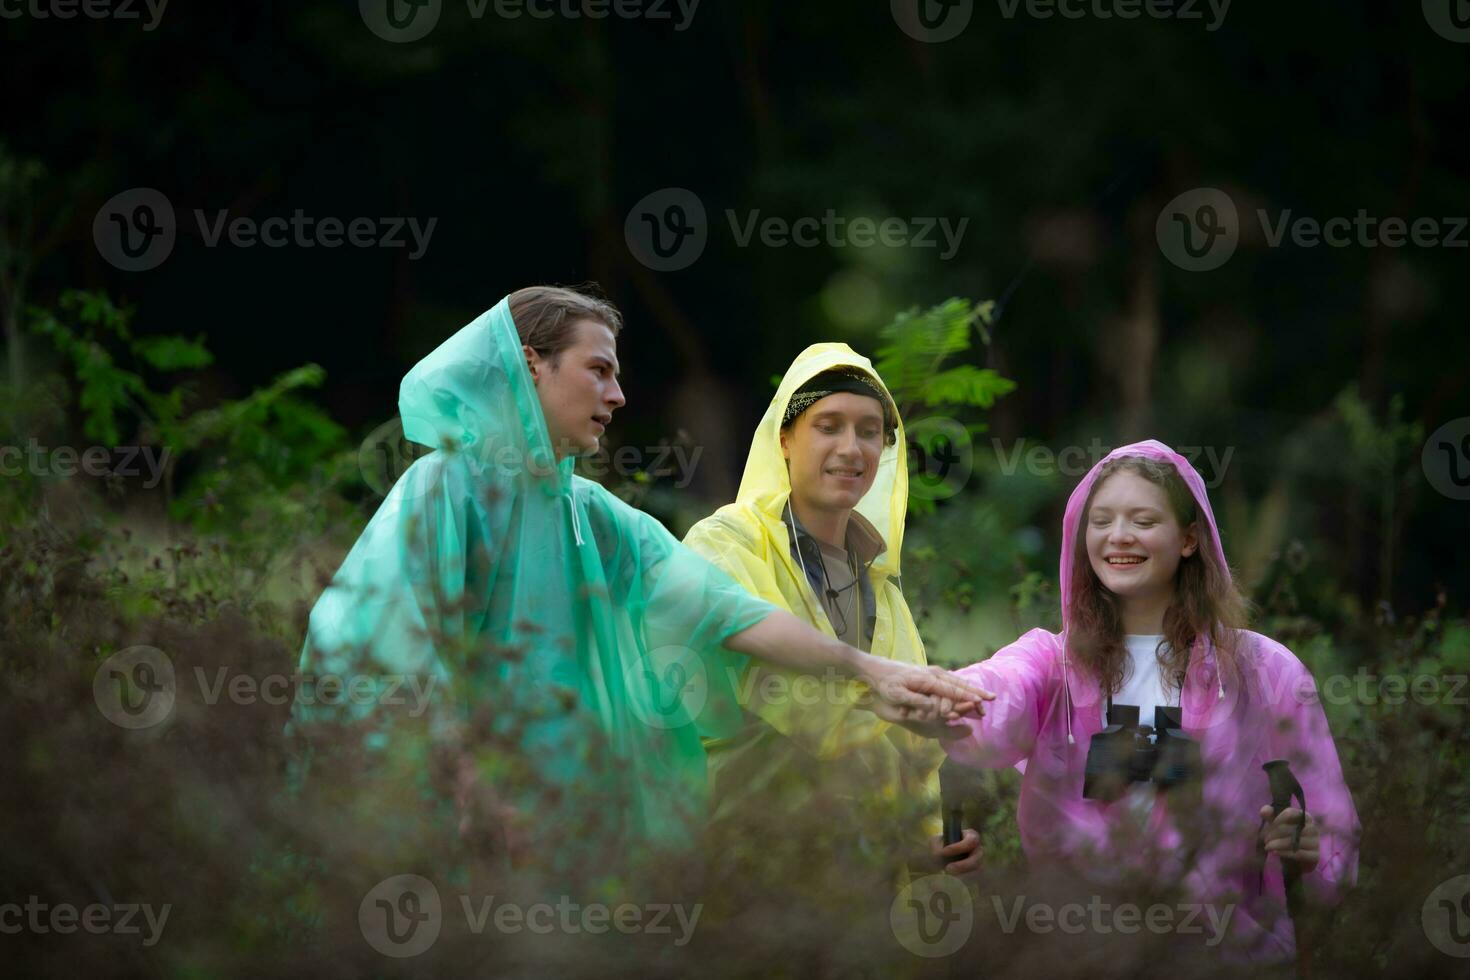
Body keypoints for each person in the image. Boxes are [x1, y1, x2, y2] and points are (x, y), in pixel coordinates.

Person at [286, 287, 990, 878]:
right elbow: (372, 640)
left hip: (559, 835)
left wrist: (867, 669)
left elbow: (724, 612)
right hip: (450, 821)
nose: (618, 395)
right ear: (530, 365)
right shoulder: (446, 487)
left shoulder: (588, 514)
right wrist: (466, 780)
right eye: (598, 371)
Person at [929, 439, 1359, 962]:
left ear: (1189, 538)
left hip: (1225, 959)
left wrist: (1309, 852)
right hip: (1081, 955)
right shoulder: (1052, 664)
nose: (1118, 537)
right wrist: (934, 693)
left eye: (1143, 520)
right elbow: (995, 694)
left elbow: (1332, 828)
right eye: (1102, 520)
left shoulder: (1261, 671)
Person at [683, 345, 983, 884]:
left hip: (862, 881)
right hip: (745, 859)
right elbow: (770, 681)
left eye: (870, 431)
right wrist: (887, 694)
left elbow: (916, 756)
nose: (851, 448)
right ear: (784, 439)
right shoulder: (724, 543)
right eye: (828, 425)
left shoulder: (880, 588)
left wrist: (925, 841)